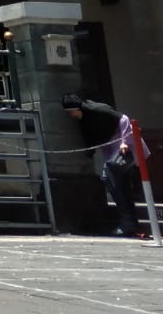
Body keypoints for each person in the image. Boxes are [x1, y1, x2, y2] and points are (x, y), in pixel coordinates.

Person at [62, 92, 141, 237]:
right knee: (119, 185)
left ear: (77, 108)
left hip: (122, 145)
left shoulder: (96, 110)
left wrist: (125, 141)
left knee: (111, 177)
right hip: (112, 149)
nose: (71, 115)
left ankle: (128, 223)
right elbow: (91, 137)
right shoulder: (85, 120)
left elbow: (123, 119)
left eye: (71, 112)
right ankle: (129, 223)